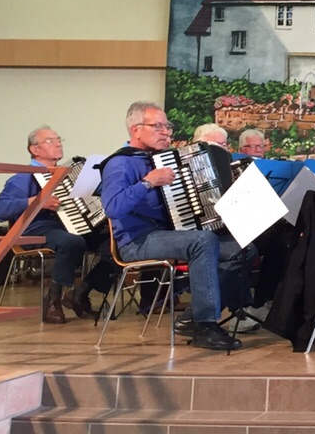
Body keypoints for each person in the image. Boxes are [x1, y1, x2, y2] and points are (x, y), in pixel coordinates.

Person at [99, 102, 253, 350]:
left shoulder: (162, 159)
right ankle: (206, 324)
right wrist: (148, 182)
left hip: (165, 234)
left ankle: (192, 317)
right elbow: (113, 207)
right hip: (137, 241)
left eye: (167, 126)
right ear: (136, 129)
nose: (166, 132)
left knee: (242, 248)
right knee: (202, 241)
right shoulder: (120, 163)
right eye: (157, 126)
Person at [0, 126, 114, 323]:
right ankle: (53, 301)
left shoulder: (68, 173)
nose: (58, 143)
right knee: (71, 242)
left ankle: (80, 292)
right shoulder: (24, 177)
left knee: (120, 241)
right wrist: (36, 201)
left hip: (71, 227)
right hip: (37, 229)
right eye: (50, 140)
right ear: (34, 149)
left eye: (59, 139)